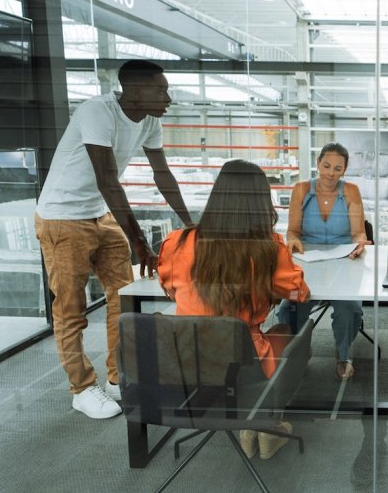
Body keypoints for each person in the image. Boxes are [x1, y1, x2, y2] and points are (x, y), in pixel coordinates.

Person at [35, 60, 193, 419]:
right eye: (160, 90)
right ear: (134, 91)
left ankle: (117, 378)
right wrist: (139, 241)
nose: (168, 97)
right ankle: (81, 388)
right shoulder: (97, 111)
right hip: (62, 218)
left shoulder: (150, 120)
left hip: (99, 215)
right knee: (70, 309)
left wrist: (190, 224)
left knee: (124, 300)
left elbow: (162, 174)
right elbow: (109, 180)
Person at [157, 159, 310, 460]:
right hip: (241, 367)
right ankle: (265, 424)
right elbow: (298, 293)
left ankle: (253, 421)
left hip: (186, 362)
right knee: (287, 332)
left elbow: (168, 285)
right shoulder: (268, 248)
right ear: (261, 202)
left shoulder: (178, 242)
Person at [277, 142, 369, 380]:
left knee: (349, 309)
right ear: (318, 163)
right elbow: (293, 231)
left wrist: (360, 244)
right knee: (288, 309)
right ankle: (299, 349)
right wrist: (293, 241)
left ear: (344, 170)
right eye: (326, 166)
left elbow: (359, 233)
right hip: (309, 262)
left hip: (344, 260)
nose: (331, 173)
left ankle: (344, 353)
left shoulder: (350, 191)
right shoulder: (300, 189)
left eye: (338, 168)